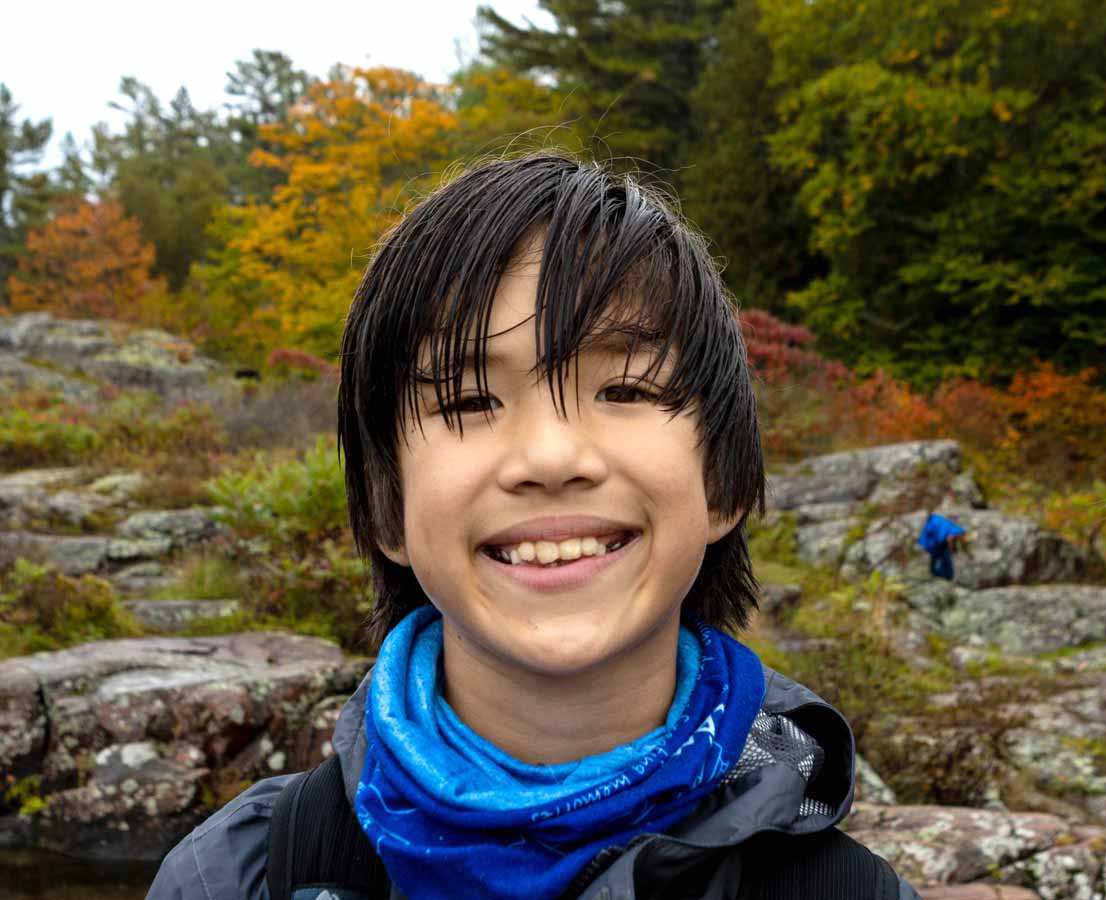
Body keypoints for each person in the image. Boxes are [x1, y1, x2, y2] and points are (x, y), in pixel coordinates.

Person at [147, 154, 920, 899]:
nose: (551, 456)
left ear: (721, 482)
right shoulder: (236, 877)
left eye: (624, 388)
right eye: (468, 402)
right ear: (387, 505)